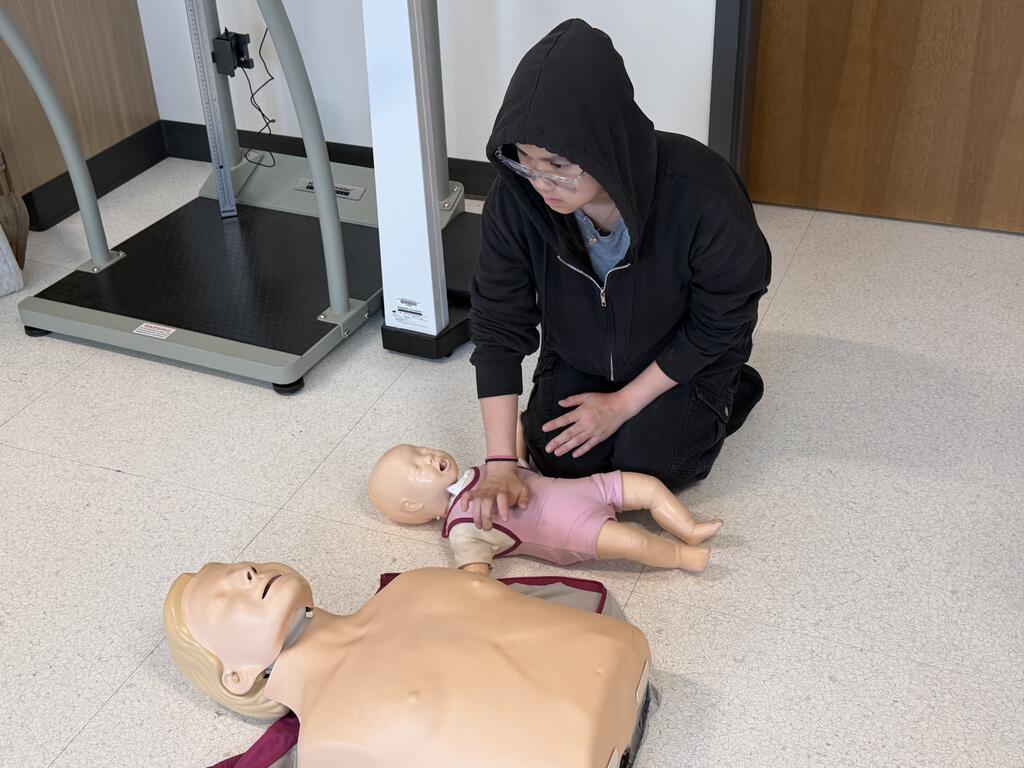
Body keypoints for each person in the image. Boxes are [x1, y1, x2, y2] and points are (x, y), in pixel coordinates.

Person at [468, 19, 771, 528]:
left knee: (656, 465)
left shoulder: (702, 193)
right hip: (583, 347)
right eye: (524, 159)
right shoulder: (518, 198)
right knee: (559, 460)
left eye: (558, 164)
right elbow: (498, 322)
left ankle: (729, 388)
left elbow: (723, 318)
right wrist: (499, 462)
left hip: (682, 351)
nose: (540, 181)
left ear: (605, 144)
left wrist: (623, 404)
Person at [164, 562, 652, 768]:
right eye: (224, 600)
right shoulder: (330, 741)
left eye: (241, 567)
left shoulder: (412, 585)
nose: (247, 574)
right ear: (237, 675)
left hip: (619, 662)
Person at [368, 443, 722, 572]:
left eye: (421, 449)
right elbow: (474, 573)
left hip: (584, 488)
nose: (428, 455)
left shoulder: (479, 471)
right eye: (417, 465)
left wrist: (516, 431)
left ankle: (688, 528)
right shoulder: (462, 529)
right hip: (573, 531)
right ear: (412, 504)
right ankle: (680, 556)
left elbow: (516, 465)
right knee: (634, 542)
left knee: (649, 486)